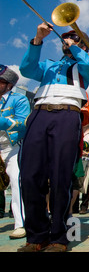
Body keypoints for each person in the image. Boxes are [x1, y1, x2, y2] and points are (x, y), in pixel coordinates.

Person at [18, 24, 89, 252]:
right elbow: (27, 69)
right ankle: (36, 236)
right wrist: (37, 40)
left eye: (73, 37)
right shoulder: (48, 65)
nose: (67, 40)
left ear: (83, 44)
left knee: (61, 175)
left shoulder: (84, 65)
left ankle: (58, 237)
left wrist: (78, 49)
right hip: (40, 113)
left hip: (67, 115)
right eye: (65, 38)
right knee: (30, 175)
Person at [0, 65, 30, 239]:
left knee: (16, 181)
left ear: (9, 85)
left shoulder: (19, 100)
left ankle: (21, 224)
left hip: (13, 147)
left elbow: (22, 123)